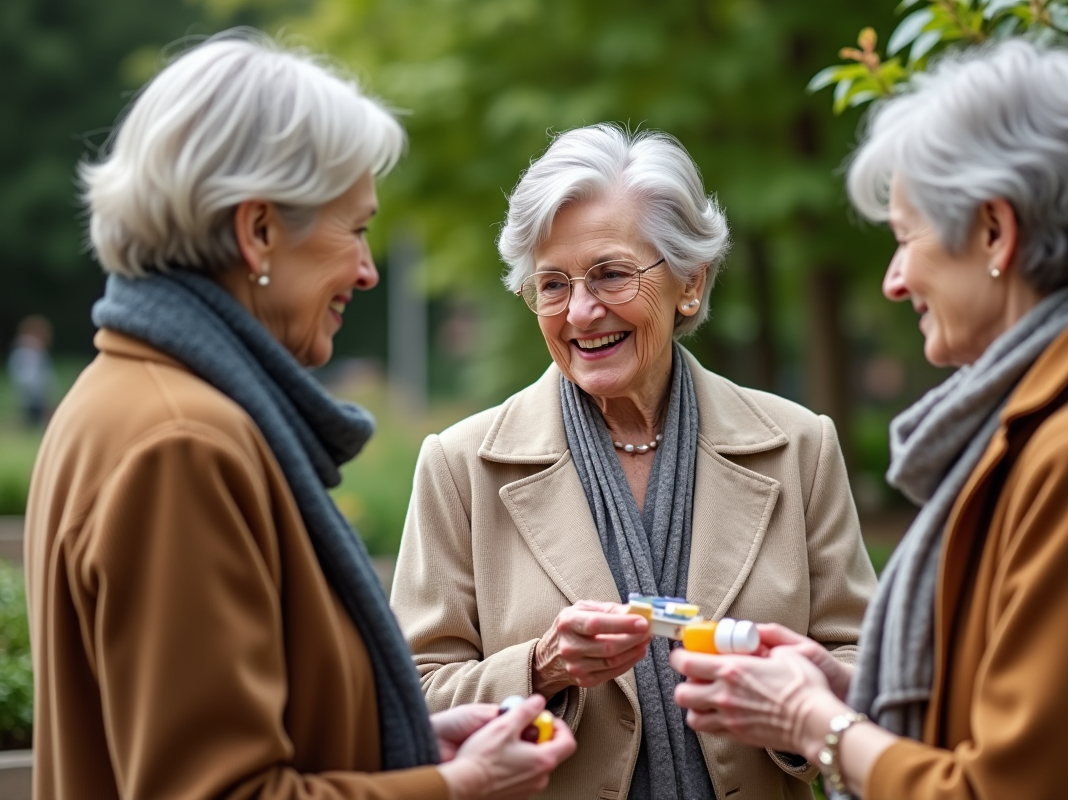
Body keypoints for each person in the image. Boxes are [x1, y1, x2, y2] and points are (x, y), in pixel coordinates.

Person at [23, 32, 575, 800]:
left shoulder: (126, 395)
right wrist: (455, 786)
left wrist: (403, 745)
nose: (368, 269)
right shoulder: (183, 445)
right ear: (257, 233)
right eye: (355, 228)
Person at [669, 40, 1068, 799]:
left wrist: (815, 722)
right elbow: (1010, 725)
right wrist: (847, 690)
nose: (893, 280)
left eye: (905, 236)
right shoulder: (1056, 424)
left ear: (993, 232)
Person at [391, 122, 877, 800]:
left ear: (690, 283)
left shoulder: (797, 446)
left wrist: (785, 689)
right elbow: (412, 700)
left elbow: (869, 671)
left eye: (611, 274)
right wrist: (541, 665)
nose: (582, 312)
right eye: (552, 284)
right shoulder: (460, 465)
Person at [7, 315, 54, 427]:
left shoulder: (36, 353)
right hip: (34, 398)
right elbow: (30, 378)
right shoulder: (26, 353)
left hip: (36, 397)